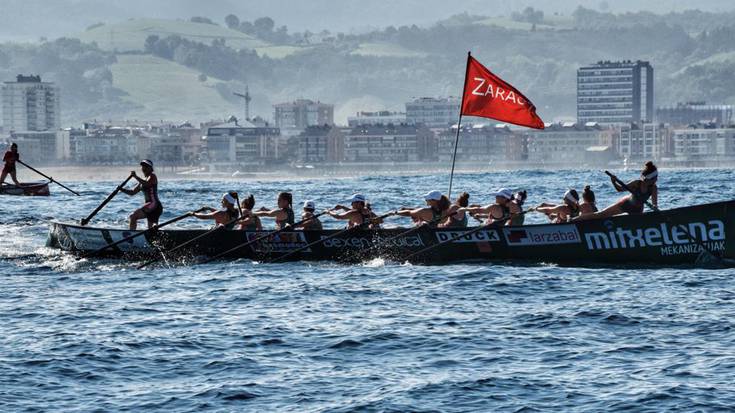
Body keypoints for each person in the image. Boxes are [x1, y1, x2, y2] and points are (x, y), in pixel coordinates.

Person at [575, 162, 659, 221]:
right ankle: (573, 220)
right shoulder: (636, 183)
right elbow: (620, 189)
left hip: (638, 210)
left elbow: (655, 204)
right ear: (649, 179)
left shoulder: (653, 188)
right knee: (601, 215)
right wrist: (613, 182)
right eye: (655, 178)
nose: (657, 179)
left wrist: (655, 207)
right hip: (626, 204)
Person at [119, 159, 163, 230]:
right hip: (150, 206)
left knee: (133, 216)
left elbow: (147, 184)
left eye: (146, 166)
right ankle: (134, 236)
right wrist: (121, 189)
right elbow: (132, 192)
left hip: (154, 205)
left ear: (151, 168)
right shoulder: (142, 181)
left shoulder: (153, 176)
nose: (144, 168)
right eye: (143, 166)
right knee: (151, 229)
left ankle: (131, 237)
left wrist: (135, 176)